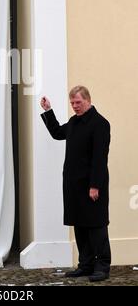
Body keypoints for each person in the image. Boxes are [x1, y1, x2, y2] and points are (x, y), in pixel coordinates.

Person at [40, 86, 111, 282]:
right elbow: (57, 133)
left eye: (78, 102)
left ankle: (102, 267)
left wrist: (95, 185)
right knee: (80, 226)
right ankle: (85, 265)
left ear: (88, 100)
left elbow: (99, 158)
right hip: (73, 186)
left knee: (97, 227)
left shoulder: (100, 124)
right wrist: (48, 111)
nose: (75, 106)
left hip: (92, 186)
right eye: (72, 103)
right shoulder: (73, 123)